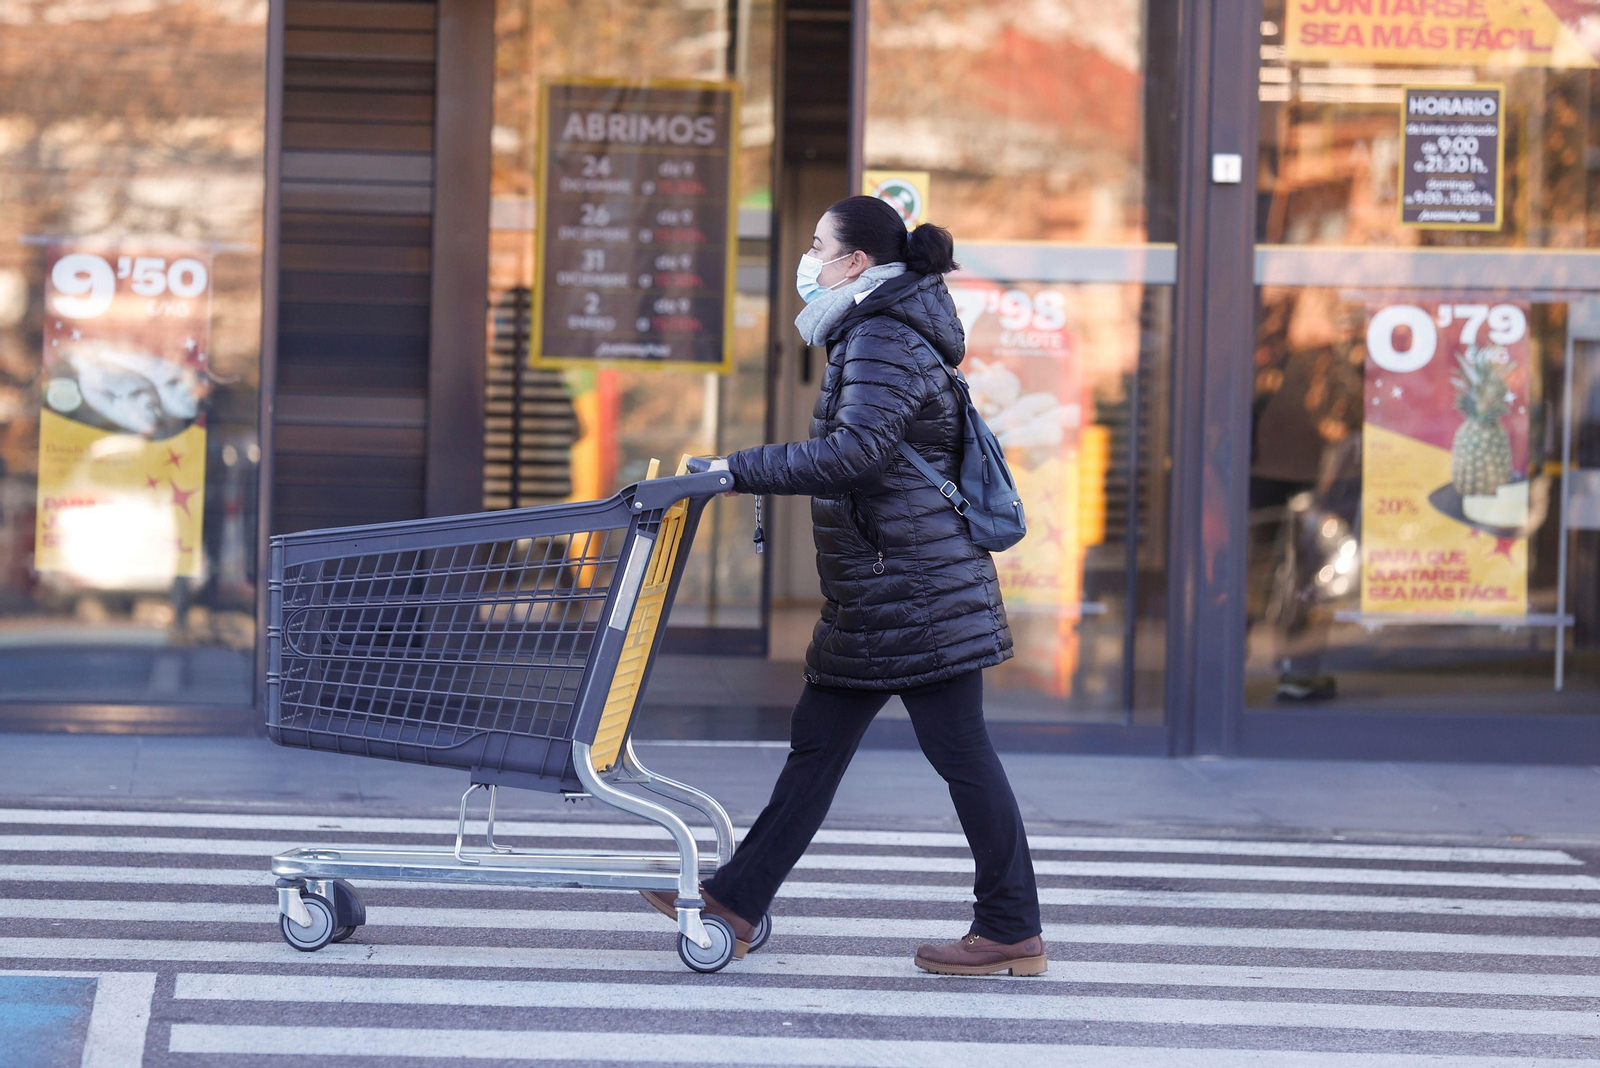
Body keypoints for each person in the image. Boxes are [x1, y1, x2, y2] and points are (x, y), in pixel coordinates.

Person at [642, 195, 1045, 977]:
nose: (810, 258)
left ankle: (1010, 926)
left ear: (857, 261)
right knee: (819, 745)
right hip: (887, 586)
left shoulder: (882, 335)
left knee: (959, 754)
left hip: (913, 590)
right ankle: (737, 901)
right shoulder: (881, 326)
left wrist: (735, 469)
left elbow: (854, 454)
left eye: (819, 245)